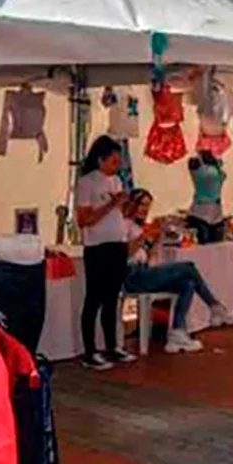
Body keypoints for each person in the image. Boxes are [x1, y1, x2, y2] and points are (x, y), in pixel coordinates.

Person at [122, 189, 231, 353]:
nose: (144, 210)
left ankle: (177, 332)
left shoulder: (140, 227)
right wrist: (145, 235)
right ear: (133, 205)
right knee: (188, 267)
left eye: (148, 206)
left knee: (186, 283)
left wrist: (155, 241)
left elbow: (149, 260)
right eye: (142, 205)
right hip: (132, 275)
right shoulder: (124, 225)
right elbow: (125, 253)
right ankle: (214, 306)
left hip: (143, 271)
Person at [75, 136, 134, 370]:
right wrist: (111, 205)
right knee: (94, 298)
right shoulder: (87, 183)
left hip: (117, 244)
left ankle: (112, 345)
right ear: (100, 159)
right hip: (98, 247)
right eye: (113, 161)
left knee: (112, 298)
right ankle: (90, 351)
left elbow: (121, 213)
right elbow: (84, 219)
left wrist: (126, 204)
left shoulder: (117, 181)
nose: (117, 166)